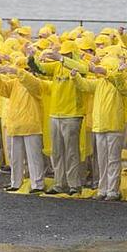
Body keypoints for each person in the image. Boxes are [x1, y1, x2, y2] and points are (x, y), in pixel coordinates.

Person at [74, 56, 127, 201]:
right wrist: (75, 77)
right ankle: (103, 188)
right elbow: (85, 85)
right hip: (100, 127)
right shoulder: (100, 83)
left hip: (114, 125)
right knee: (102, 160)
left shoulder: (119, 82)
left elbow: (119, 81)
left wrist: (108, 72)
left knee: (113, 159)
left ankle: (112, 190)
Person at [36, 42, 87, 195]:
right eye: (63, 54)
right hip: (55, 114)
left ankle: (74, 184)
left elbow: (84, 70)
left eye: (67, 54)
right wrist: (33, 56)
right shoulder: (57, 66)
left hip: (72, 114)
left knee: (71, 152)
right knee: (57, 152)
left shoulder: (78, 65)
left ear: (72, 54)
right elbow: (41, 69)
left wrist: (61, 58)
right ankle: (59, 183)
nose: (64, 56)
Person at [0, 57, 48, 193]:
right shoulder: (15, 83)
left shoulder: (36, 82)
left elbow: (31, 83)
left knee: (34, 157)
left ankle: (37, 184)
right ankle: (15, 182)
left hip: (31, 125)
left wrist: (17, 72)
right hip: (16, 124)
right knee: (15, 158)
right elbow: (2, 90)